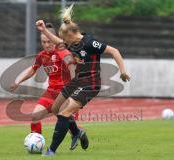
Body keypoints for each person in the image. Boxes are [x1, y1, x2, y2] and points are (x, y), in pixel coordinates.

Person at [36, 4, 130, 156]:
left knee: (65, 112)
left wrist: (123, 72)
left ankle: (51, 151)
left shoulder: (90, 42)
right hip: (76, 82)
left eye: (65, 38)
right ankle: (77, 132)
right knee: (55, 109)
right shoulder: (71, 42)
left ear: (72, 34)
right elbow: (58, 42)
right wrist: (44, 30)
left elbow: (114, 51)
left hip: (90, 84)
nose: (63, 43)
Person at [9, 23, 86, 150]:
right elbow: (33, 70)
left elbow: (73, 66)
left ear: (53, 38)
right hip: (51, 92)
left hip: (65, 92)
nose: (46, 45)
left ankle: (76, 132)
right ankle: (35, 144)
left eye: (49, 41)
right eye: (43, 42)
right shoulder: (42, 56)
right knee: (34, 116)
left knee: (63, 118)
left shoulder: (62, 52)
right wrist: (18, 82)